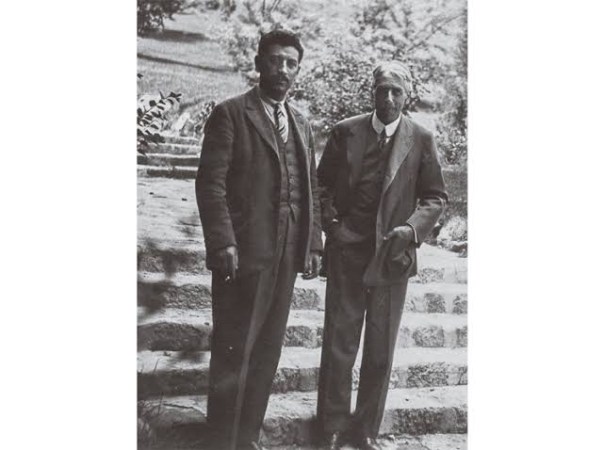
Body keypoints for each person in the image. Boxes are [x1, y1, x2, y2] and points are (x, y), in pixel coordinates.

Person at [195, 30, 322, 450]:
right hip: (242, 255)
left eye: (291, 63)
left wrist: (313, 244)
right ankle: (221, 441)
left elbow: (310, 188)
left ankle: (246, 437)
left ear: (298, 70)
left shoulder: (301, 123)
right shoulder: (231, 114)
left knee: (267, 352)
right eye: (275, 60)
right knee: (234, 350)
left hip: (286, 256)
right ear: (259, 63)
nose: (283, 70)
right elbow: (210, 184)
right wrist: (223, 242)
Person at [316, 61, 448, 450]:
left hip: (392, 258)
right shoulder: (346, 131)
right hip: (347, 254)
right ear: (371, 92)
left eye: (397, 92)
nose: (388, 98)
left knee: (379, 349)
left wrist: (410, 229)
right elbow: (320, 185)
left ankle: (364, 430)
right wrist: (333, 227)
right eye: (382, 90)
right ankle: (331, 427)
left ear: (408, 96)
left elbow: (435, 197)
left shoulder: (420, 138)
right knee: (339, 344)